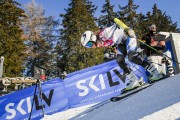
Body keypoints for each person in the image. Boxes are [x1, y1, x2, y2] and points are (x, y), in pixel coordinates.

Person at [81, 18, 164, 90]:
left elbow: (117, 22)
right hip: (120, 43)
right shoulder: (99, 42)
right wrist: (113, 48)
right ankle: (133, 80)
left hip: (128, 37)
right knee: (119, 60)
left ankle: (155, 72)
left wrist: (127, 29)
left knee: (132, 57)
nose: (90, 47)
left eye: (89, 44)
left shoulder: (104, 33)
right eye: (87, 46)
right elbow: (112, 42)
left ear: (92, 38)